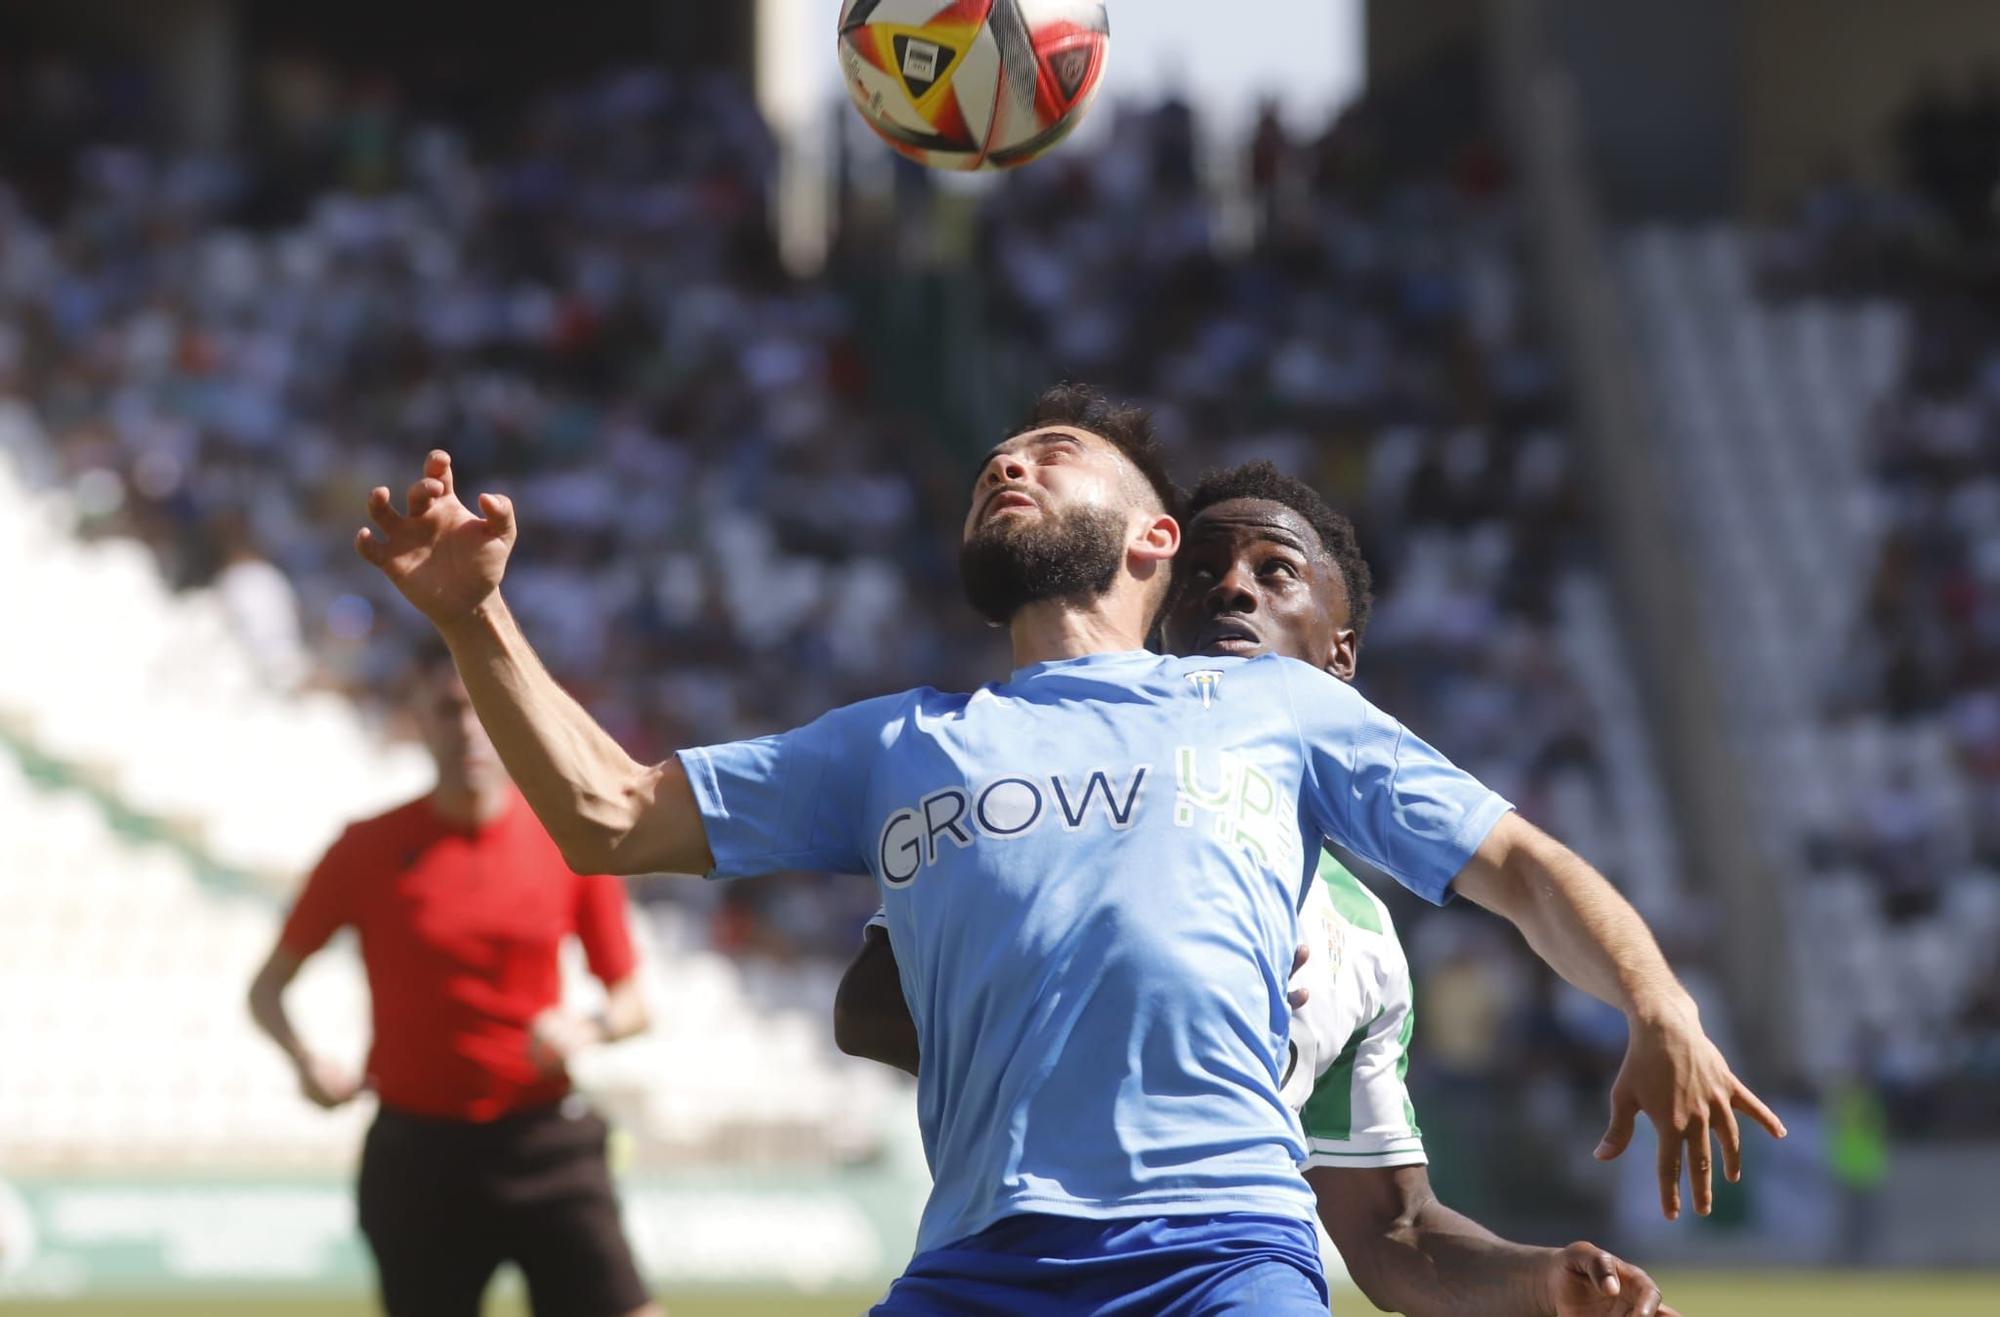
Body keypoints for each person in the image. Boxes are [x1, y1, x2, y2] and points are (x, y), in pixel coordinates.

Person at [353, 384, 1770, 1314]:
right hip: (972, 1268)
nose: (1009, 464)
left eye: (1052, 453)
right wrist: (475, 619)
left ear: (1154, 535)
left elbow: (1517, 861)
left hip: (1220, 1255)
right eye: (991, 462)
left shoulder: (1278, 711)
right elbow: (609, 816)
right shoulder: (897, 741)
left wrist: (1660, 1003)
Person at [835, 460, 1681, 1316]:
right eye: (1199, 573)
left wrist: (1540, 1283)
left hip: (1217, 1275)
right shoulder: (1058, 789)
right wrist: (1127, 1003)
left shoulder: (1363, 937)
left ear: (1338, 652)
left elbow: (1394, 1232)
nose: (1231, 591)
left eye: (1275, 572)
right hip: (1013, 1270)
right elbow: (865, 1005)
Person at [247, 653, 660, 1317]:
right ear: (420, 721)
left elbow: (633, 1001)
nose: (467, 728)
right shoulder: (366, 848)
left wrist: (587, 1027)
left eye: (480, 710)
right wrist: (305, 1062)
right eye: (447, 709)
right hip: (416, 1153)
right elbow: (267, 988)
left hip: (544, 1135)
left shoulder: (567, 842)